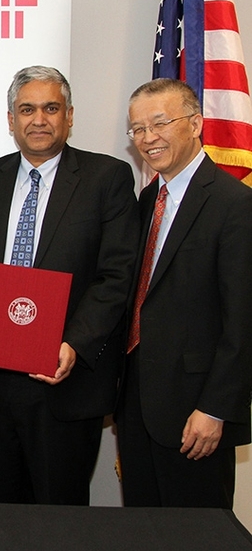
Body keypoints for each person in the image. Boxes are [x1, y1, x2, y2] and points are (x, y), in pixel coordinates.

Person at [0, 65, 139, 505]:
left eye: (51, 108)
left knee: (60, 521)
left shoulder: (106, 179)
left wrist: (74, 343)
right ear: (10, 119)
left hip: (64, 381)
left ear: (70, 116)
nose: (39, 119)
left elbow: (117, 275)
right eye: (27, 109)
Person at [116, 78, 252, 509]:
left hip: (195, 412)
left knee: (197, 535)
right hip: (135, 406)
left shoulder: (235, 204)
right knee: (143, 532)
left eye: (160, 123)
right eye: (137, 129)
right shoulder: (146, 201)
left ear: (195, 124)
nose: (148, 138)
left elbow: (243, 322)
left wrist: (216, 409)